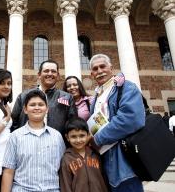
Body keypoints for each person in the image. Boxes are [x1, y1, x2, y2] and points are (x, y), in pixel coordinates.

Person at [89, 54, 145, 192]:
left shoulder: (126, 87)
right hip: (104, 159)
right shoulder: (96, 96)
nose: (100, 71)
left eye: (103, 66)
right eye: (95, 69)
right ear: (91, 74)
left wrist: (97, 139)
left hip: (123, 160)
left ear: (111, 68)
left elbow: (130, 119)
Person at [1, 89, 65, 192]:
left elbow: (62, 170)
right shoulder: (15, 136)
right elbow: (8, 171)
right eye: (32, 105)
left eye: (41, 104)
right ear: (25, 109)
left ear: (47, 109)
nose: (37, 108)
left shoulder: (57, 136)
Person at [11, 60, 76, 136]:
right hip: (27, 144)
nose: (50, 74)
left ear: (58, 76)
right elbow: (14, 122)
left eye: (53, 71)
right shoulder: (23, 96)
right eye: (46, 71)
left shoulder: (67, 97)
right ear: (39, 75)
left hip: (56, 144)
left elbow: (73, 124)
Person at [59, 117, 108, 192]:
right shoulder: (66, 159)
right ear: (67, 137)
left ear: (88, 135)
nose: (78, 140)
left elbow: (103, 179)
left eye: (82, 136)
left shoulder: (95, 154)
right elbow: (65, 186)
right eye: (73, 136)